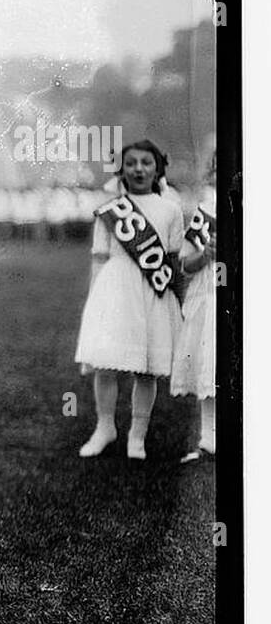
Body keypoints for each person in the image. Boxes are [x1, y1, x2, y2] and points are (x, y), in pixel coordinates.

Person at [74, 140, 184, 460]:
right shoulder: (111, 211)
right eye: (132, 163)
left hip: (152, 290)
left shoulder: (171, 210)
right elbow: (99, 257)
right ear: (122, 170)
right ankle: (105, 427)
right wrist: (95, 300)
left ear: (157, 168)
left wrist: (178, 299)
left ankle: (138, 436)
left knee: (146, 368)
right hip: (115, 287)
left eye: (146, 162)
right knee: (105, 365)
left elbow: (173, 260)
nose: (139, 169)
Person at [171, 165, 218, 461]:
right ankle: (209, 437)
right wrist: (206, 255)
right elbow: (184, 266)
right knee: (208, 362)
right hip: (210, 294)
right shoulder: (205, 213)